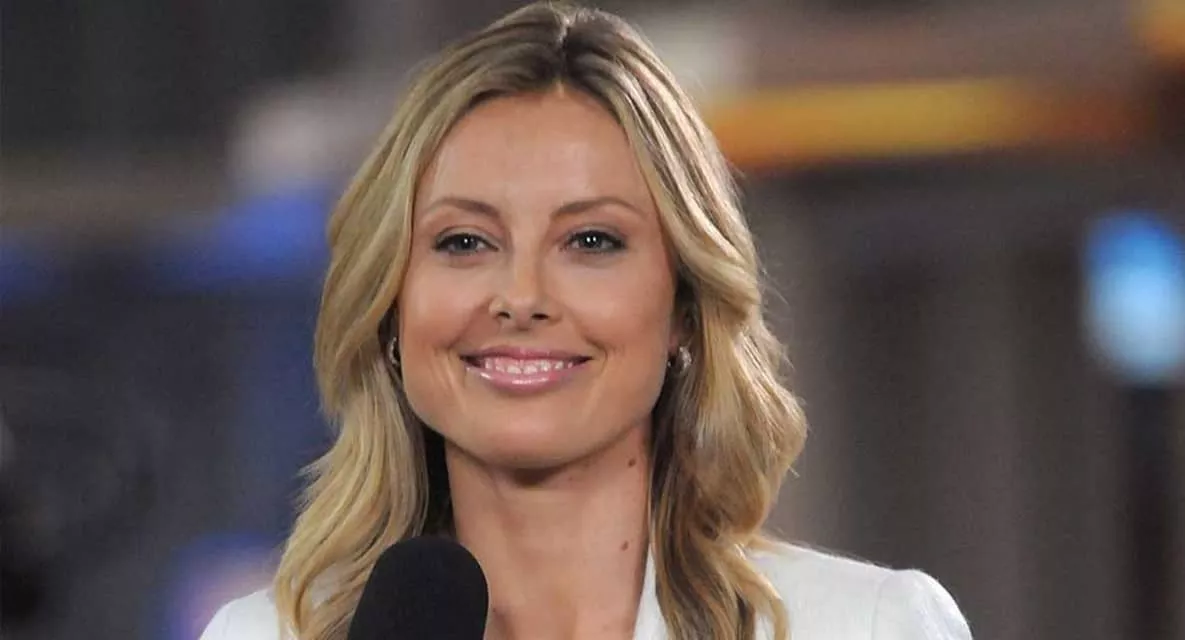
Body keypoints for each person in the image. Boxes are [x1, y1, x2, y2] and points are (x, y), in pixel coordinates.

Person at [200, 2, 973, 639]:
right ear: (391, 305)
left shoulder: (866, 626)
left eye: (590, 241)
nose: (521, 295)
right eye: (463, 242)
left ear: (683, 308)